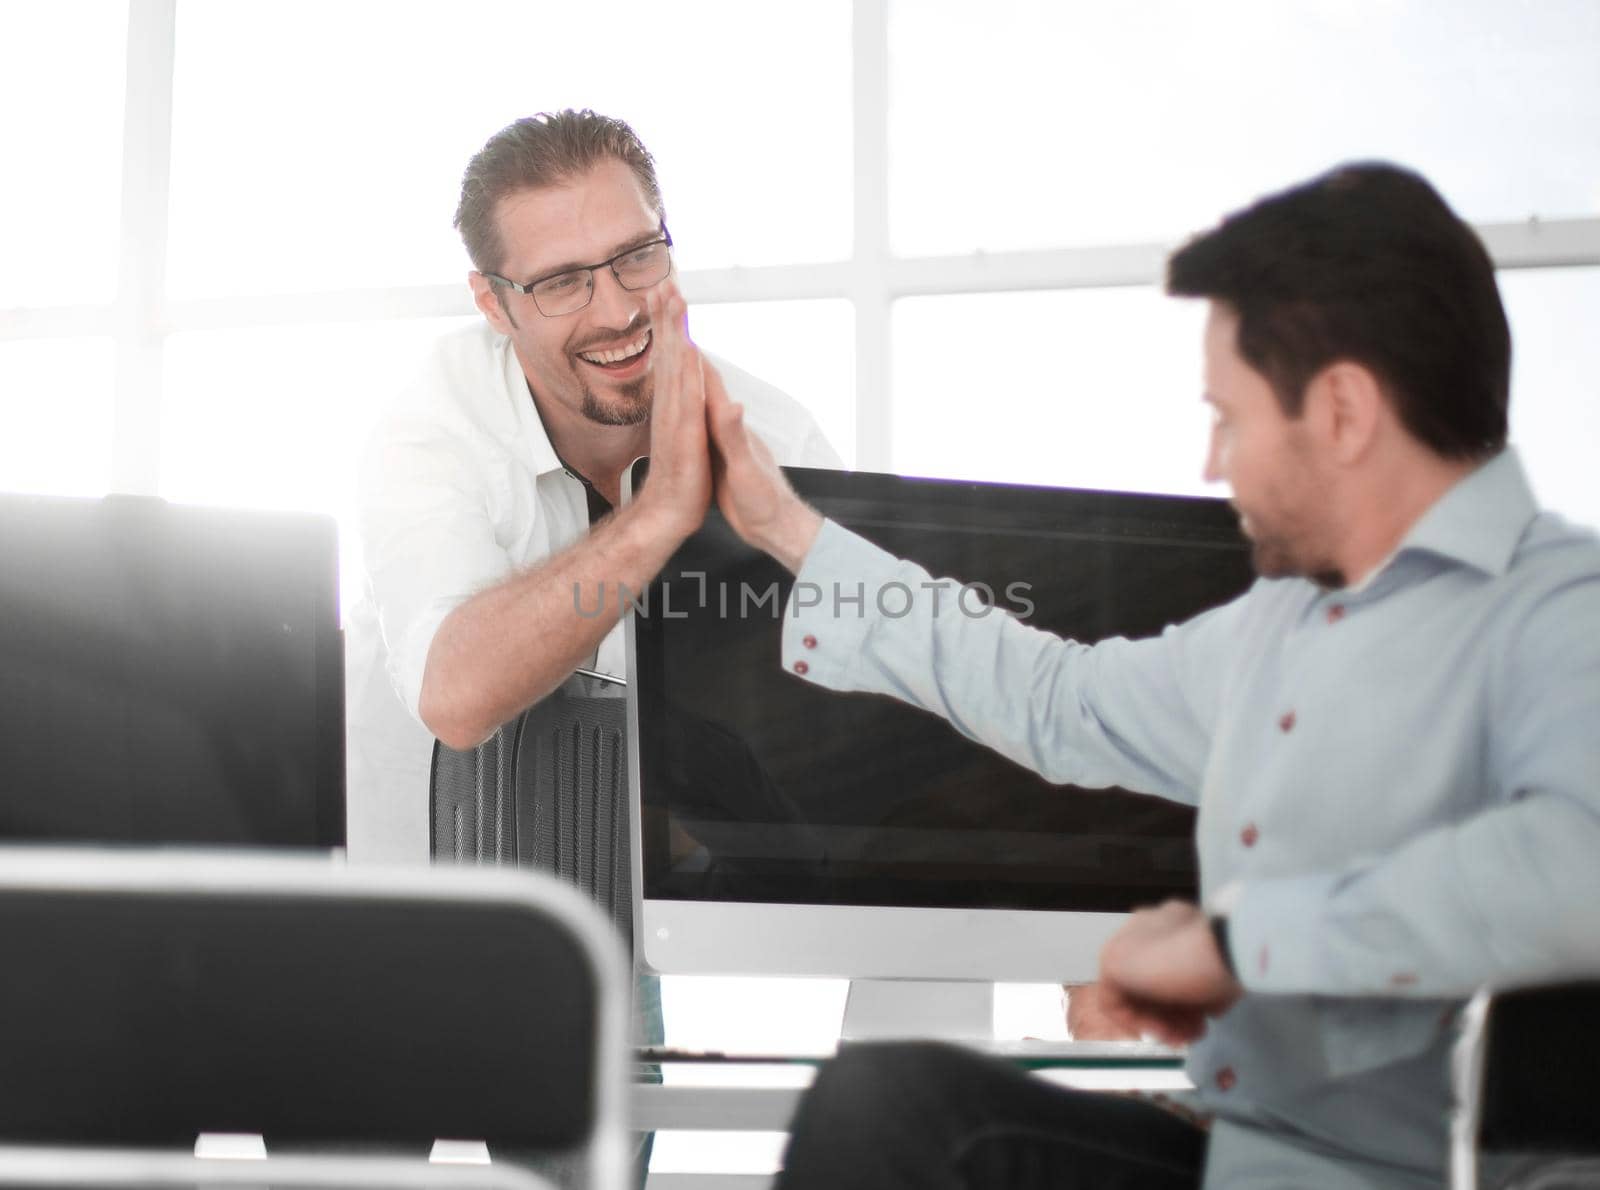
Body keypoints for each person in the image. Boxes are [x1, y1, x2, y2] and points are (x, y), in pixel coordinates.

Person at [685, 162, 1600, 1187]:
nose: (1214, 463)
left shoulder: (1563, 611)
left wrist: (1233, 948)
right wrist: (791, 531)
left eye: (1231, 416)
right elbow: (1054, 698)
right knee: (891, 1107)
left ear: (1341, 412)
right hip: (1243, 1152)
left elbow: (1573, 868)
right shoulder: (1274, 633)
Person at [344, 109, 840, 866]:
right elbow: (456, 696)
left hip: (636, 882)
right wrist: (662, 513)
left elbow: (872, 698)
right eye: (562, 282)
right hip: (424, 891)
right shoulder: (434, 426)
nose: (618, 311)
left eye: (637, 256)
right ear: (494, 303)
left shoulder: (777, 436)